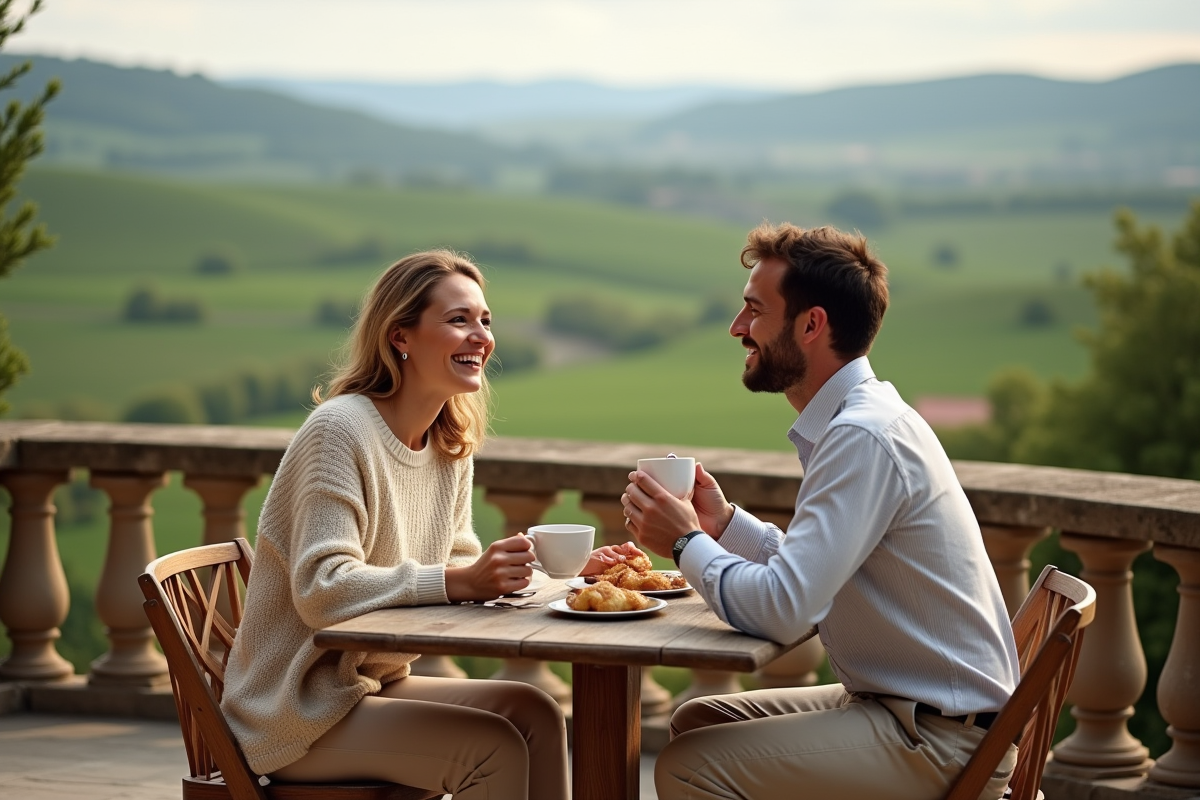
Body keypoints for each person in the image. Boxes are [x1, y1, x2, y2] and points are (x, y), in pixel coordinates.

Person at [621, 224, 1021, 800]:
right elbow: (810, 576)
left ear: (811, 325)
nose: (738, 328)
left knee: (688, 766)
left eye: (754, 311)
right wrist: (723, 525)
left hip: (939, 741)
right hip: (911, 710)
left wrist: (686, 542)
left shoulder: (861, 435)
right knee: (699, 721)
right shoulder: (863, 418)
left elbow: (785, 610)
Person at [221, 250, 637, 800]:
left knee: (533, 709)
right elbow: (322, 588)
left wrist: (555, 569)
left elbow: (460, 564)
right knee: (493, 747)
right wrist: (460, 581)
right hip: (297, 711)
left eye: (485, 320)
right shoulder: (339, 432)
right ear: (401, 337)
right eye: (459, 319)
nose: (481, 336)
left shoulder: (448, 441)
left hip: (371, 685)